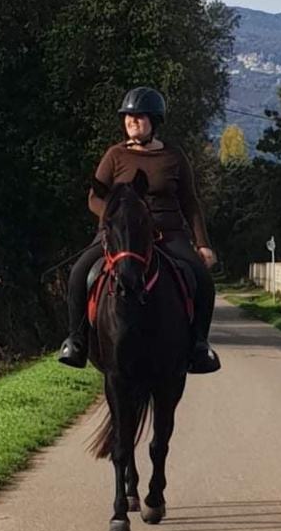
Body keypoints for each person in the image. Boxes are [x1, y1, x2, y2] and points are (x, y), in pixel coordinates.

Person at [58, 87, 221, 374]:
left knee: (202, 279)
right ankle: (77, 340)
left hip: (168, 233)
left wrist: (203, 244)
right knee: (79, 272)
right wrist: (113, 217)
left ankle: (199, 345)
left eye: (140, 116)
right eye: (128, 116)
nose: (133, 121)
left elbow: (190, 202)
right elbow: (94, 196)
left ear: (154, 121)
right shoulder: (115, 155)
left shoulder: (173, 156)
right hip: (120, 235)